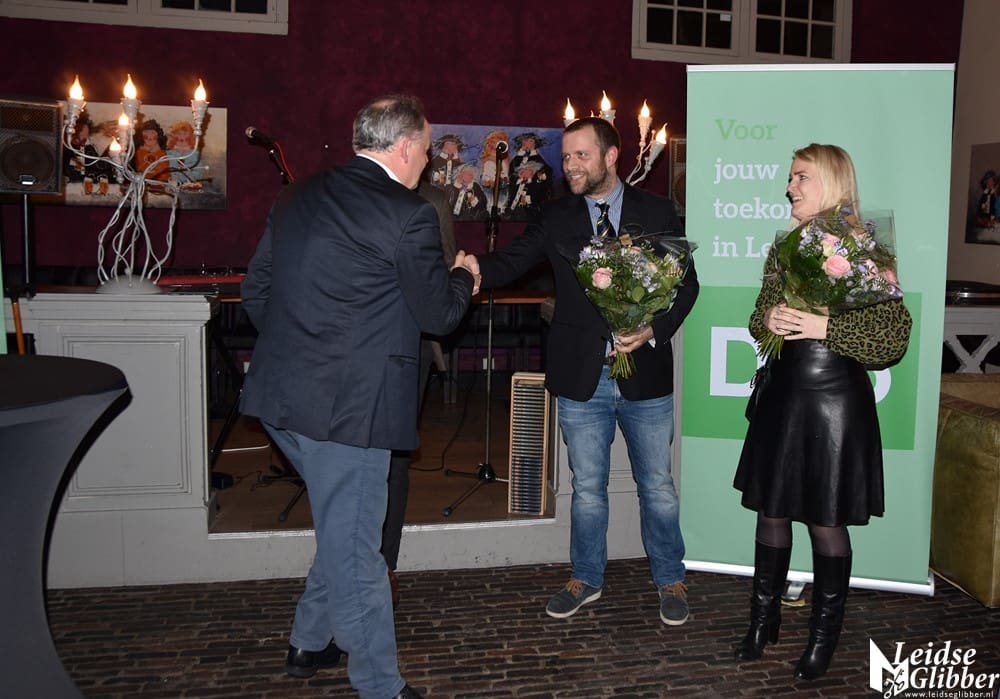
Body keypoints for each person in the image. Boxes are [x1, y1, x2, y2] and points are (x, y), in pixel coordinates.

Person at [240, 93, 480, 699]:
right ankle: (379, 685)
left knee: (340, 521)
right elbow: (439, 315)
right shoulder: (409, 214)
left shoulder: (296, 196)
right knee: (357, 548)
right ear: (403, 147)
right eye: (426, 150)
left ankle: (308, 641)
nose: (428, 162)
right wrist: (464, 276)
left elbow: (256, 291)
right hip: (351, 411)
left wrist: (301, 351)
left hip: (281, 398)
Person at [477, 116, 699, 625]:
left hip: (646, 376)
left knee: (658, 486)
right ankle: (586, 577)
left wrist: (652, 330)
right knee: (587, 488)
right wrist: (470, 269)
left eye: (581, 155)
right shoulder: (556, 216)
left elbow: (686, 286)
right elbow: (511, 261)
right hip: (581, 377)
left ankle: (670, 577)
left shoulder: (656, 210)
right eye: (566, 157)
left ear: (611, 156)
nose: (570, 165)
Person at [732, 143, 912, 680]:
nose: (790, 186)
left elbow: (891, 338)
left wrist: (823, 327)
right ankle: (763, 622)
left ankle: (822, 639)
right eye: (791, 177)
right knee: (771, 511)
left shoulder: (866, 248)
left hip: (836, 402)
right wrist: (771, 319)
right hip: (783, 396)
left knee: (825, 522)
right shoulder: (783, 247)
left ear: (831, 181)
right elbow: (757, 318)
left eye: (801, 177)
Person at [381, 178, 458, 605]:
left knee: (395, 456)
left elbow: (443, 264)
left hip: (411, 343)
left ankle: (385, 566)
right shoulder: (353, 190)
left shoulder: (434, 200)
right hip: (355, 343)